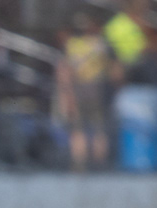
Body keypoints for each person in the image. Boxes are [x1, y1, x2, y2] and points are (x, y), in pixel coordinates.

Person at [58, 8, 116, 170]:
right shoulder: (101, 45)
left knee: (78, 129)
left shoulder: (72, 45)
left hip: (79, 90)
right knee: (99, 130)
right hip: (98, 89)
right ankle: (100, 164)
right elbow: (114, 71)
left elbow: (65, 72)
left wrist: (67, 94)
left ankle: (80, 165)